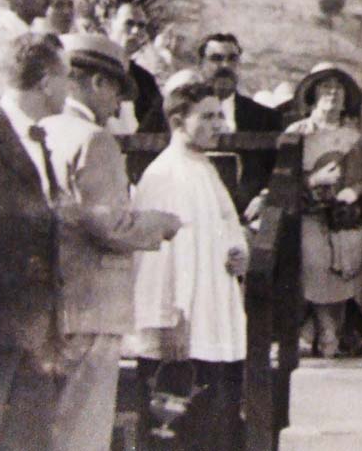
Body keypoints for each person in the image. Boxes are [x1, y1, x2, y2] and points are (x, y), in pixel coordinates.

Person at [42, 33, 181, 451]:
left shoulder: (42, 129)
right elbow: (110, 227)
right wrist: (158, 224)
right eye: (117, 92)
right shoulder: (93, 140)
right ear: (98, 83)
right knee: (82, 429)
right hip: (92, 308)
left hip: (52, 304)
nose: (118, 105)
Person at [132, 81, 249, 451]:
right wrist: (173, 320)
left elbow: (226, 226)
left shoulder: (206, 169)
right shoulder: (163, 174)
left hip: (214, 317)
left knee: (214, 429)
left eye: (221, 115)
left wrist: (238, 252)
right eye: (209, 116)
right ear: (179, 120)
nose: (220, 124)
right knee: (175, 433)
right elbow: (156, 258)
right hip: (183, 329)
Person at [0, 33, 69, 451]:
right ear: (46, 81)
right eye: (67, 78)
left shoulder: (38, 140)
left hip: (35, 334)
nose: (70, 89)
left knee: (28, 441)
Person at [287, 63, 362, 358]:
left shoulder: (355, 137)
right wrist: (315, 181)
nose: (332, 94)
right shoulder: (297, 133)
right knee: (313, 252)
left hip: (347, 217)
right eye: (326, 88)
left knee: (356, 247)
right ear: (313, 94)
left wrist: (354, 191)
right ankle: (321, 325)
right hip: (307, 212)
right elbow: (280, 178)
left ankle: (331, 328)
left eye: (338, 89)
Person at [197, 32, 283, 209]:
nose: (225, 65)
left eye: (232, 59)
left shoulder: (266, 118)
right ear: (201, 65)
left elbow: (281, 171)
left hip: (246, 219)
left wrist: (265, 196)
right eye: (216, 58)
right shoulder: (183, 110)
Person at [106, 2, 166, 133]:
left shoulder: (145, 80)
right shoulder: (94, 69)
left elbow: (157, 127)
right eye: (129, 24)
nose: (135, 31)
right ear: (110, 24)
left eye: (141, 26)